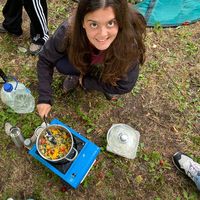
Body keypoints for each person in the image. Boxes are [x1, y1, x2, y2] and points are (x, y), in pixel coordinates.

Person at [36, 0, 146, 118]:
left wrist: (87, 82)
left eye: (111, 23)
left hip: (110, 63)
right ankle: (80, 72)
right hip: (85, 58)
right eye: (94, 24)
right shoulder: (67, 31)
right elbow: (45, 59)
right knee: (62, 65)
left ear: (120, 21)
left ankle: (105, 78)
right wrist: (44, 97)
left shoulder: (129, 42)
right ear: (82, 22)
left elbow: (125, 85)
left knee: (115, 79)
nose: (102, 34)